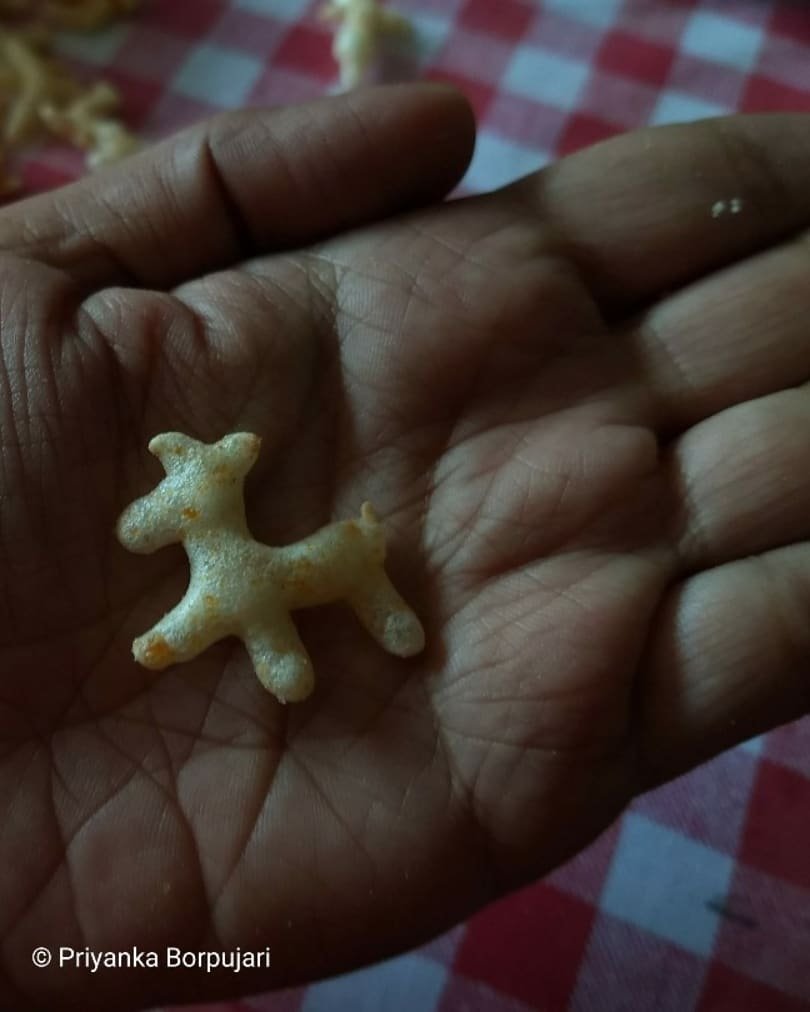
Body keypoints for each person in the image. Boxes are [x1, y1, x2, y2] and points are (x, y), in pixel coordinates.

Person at [0, 82, 807, 1010]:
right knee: (286, 625)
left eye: (173, 510)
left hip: (296, 580)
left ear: (212, 486)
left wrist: (169, 641)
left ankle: (375, 592)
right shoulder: (208, 550)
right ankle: (369, 585)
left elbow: (226, 616)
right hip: (278, 596)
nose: (152, 526)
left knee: (301, 612)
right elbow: (228, 615)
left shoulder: (220, 566)